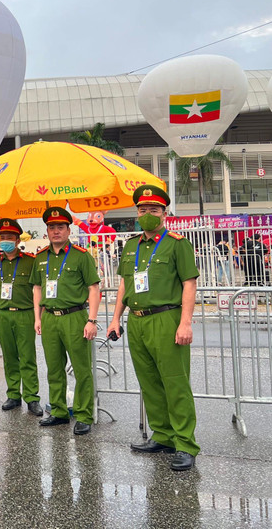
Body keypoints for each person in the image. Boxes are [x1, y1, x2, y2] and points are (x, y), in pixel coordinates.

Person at [108, 185, 200, 471]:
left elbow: (189, 283)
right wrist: (115, 318)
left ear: (164, 213)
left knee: (175, 382)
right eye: (142, 210)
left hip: (166, 318)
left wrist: (185, 323)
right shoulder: (132, 245)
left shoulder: (177, 243)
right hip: (136, 320)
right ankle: (163, 435)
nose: (147, 214)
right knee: (149, 382)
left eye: (154, 210)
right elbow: (125, 282)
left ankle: (185, 443)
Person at [30, 207, 100, 435]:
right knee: (54, 368)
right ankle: (59, 411)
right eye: (52, 227)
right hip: (50, 318)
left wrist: (92, 320)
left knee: (81, 368)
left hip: (75, 317)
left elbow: (93, 288)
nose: (56, 231)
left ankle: (83, 414)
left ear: (68, 230)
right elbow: (37, 288)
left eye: (60, 227)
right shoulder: (40, 258)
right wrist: (37, 317)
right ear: (47, 231)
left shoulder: (81, 256)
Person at [0, 218, 43, 416]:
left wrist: (37, 316)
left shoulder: (30, 261)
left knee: (27, 357)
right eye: (2, 237)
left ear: (17, 240)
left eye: (9, 237)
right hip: (2, 314)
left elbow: (37, 289)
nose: (5, 240)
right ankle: (13, 395)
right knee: (9, 357)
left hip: (24, 314)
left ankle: (32, 397)